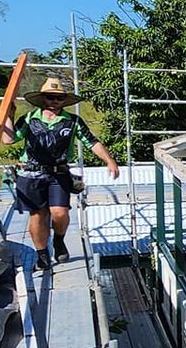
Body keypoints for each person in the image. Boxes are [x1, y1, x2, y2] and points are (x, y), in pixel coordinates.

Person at [8, 77, 119, 271]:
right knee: (38, 216)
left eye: (58, 98)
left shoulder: (72, 121)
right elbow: (9, 140)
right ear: (43, 98)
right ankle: (42, 256)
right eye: (50, 97)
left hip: (58, 172)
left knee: (59, 212)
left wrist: (109, 161)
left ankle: (59, 240)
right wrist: (8, 117)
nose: (54, 101)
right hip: (32, 173)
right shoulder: (29, 118)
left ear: (63, 100)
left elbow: (91, 142)